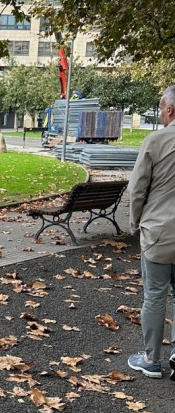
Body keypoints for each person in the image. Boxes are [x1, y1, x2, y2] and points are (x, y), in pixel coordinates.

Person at [128, 86, 175, 380]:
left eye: (160, 109)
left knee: (155, 296)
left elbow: (137, 190)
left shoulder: (156, 140)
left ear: (170, 109)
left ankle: (150, 358)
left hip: (159, 233)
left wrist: (135, 223)